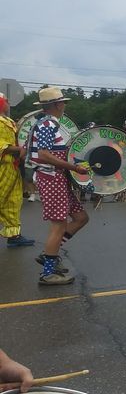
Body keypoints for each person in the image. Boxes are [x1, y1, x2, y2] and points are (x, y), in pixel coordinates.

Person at [29, 87, 89, 285]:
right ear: (55, 105)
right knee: (58, 225)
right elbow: (45, 154)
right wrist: (73, 167)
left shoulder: (51, 123)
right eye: (62, 102)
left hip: (58, 178)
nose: (64, 105)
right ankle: (47, 273)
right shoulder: (47, 124)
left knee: (81, 217)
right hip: (51, 178)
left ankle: (49, 254)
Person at [0, 94, 34, 248]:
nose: (8, 103)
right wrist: (18, 149)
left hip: (12, 166)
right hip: (3, 166)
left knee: (13, 200)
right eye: (6, 101)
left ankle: (14, 236)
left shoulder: (8, 121)